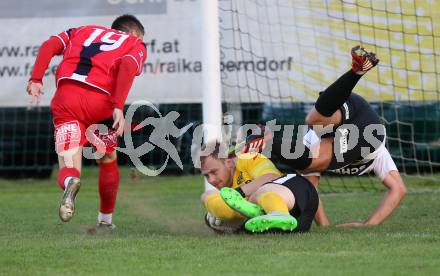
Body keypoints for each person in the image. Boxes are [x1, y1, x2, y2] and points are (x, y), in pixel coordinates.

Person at [243, 46, 407, 227]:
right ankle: (357, 70)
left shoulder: (379, 155)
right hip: (346, 105)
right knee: (313, 123)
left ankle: (269, 140)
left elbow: (398, 189)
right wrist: (325, 226)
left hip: (367, 129)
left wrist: (368, 224)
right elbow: (310, 187)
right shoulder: (313, 138)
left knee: (313, 149)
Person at [26, 14, 147, 229]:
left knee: (69, 163)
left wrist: (36, 79)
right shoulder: (135, 43)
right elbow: (128, 65)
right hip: (102, 105)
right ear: (135, 33)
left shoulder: (81, 30)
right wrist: (118, 106)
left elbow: (49, 45)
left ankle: (69, 182)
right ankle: (105, 221)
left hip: (67, 98)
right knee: (107, 159)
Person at [200, 141, 319, 233]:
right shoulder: (224, 191)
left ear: (229, 162)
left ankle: (277, 213)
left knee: (260, 193)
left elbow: (271, 177)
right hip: (297, 223)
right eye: (206, 176)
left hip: (294, 193)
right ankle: (263, 215)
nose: (211, 180)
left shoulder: (247, 158)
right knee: (207, 196)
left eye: (214, 172)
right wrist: (221, 224)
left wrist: (239, 193)